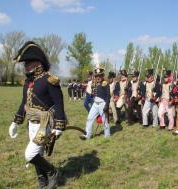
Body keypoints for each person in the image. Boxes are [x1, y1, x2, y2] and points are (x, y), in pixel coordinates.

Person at [8, 41, 66, 189]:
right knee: (38, 155)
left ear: (37, 63)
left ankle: (53, 172)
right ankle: (43, 182)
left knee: (29, 155)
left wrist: (59, 125)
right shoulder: (28, 82)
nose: (25, 66)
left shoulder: (49, 80)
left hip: (45, 125)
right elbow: (24, 104)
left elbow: (59, 103)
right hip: (31, 124)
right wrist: (15, 122)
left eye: (28, 63)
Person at [80, 67, 110, 140]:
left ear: (102, 76)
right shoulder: (95, 84)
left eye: (100, 75)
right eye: (97, 76)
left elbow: (108, 96)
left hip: (102, 103)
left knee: (104, 120)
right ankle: (87, 135)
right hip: (95, 103)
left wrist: (106, 105)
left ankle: (107, 136)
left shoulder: (105, 84)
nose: (98, 77)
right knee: (89, 118)